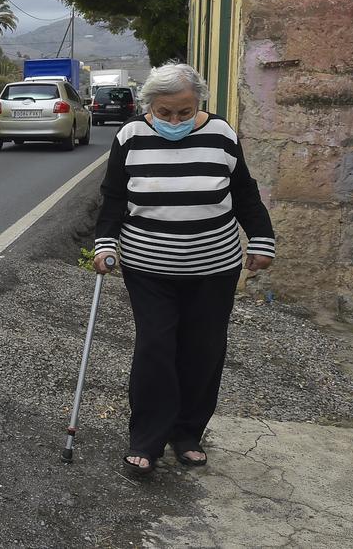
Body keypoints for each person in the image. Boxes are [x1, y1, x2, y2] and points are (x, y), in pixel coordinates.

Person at [90, 63, 275, 476]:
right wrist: (105, 244)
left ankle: (188, 433)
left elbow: (244, 192)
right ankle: (147, 439)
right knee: (155, 348)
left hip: (215, 265)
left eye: (185, 112)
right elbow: (114, 198)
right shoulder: (131, 136)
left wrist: (262, 239)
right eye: (165, 112)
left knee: (203, 350)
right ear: (148, 106)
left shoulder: (222, 134)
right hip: (148, 265)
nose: (175, 121)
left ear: (199, 104)